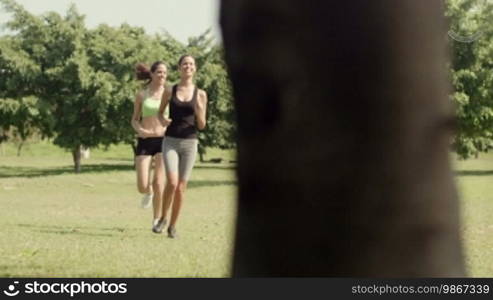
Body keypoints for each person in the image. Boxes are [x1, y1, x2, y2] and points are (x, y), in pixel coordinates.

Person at [158, 55, 208, 238]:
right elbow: (159, 112)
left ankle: (172, 226)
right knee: (171, 182)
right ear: (179, 68)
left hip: (190, 143)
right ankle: (162, 217)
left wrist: (201, 110)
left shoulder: (201, 94)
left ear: (195, 68)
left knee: (181, 187)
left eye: (191, 64)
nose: (188, 66)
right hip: (170, 140)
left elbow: (202, 125)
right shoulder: (169, 90)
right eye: (185, 64)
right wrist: (163, 119)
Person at [131, 61, 168, 233]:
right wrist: (140, 130)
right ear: (152, 74)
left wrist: (170, 125)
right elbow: (134, 119)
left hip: (163, 141)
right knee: (142, 185)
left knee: (159, 182)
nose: (162, 75)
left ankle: (156, 220)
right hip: (145, 141)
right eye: (159, 72)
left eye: (164, 73)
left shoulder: (169, 94)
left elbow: (176, 116)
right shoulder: (142, 95)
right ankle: (149, 192)